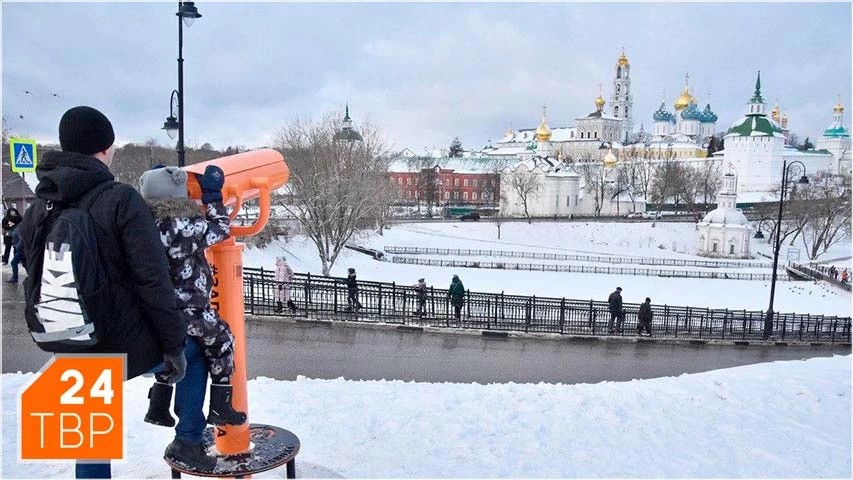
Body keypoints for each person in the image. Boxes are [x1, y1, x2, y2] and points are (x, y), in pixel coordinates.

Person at [18, 106, 189, 478]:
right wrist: (173, 346)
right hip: (118, 340)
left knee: (90, 431)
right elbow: (152, 281)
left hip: (66, 333)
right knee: (198, 352)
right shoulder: (120, 199)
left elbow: (32, 274)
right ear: (105, 148)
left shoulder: (39, 207)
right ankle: (188, 436)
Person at [139, 165, 247, 434]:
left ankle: (159, 405)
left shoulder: (143, 226)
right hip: (190, 308)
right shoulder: (183, 226)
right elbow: (221, 228)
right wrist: (212, 196)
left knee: (177, 350)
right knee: (222, 342)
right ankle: (221, 406)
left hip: (161, 310)